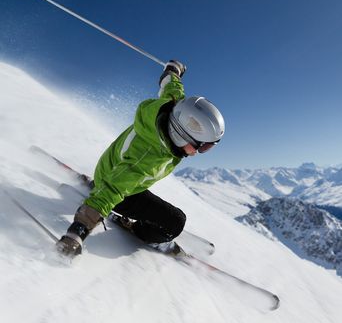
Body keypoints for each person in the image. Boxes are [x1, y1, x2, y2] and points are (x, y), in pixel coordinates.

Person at [56, 60, 225, 256]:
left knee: (120, 184)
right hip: (119, 188)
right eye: (202, 146)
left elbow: (171, 86)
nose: (198, 152)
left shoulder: (172, 108)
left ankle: (98, 186)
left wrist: (173, 70)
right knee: (175, 222)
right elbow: (114, 189)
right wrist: (76, 234)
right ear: (181, 134)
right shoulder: (146, 156)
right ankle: (134, 228)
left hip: (112, 172)